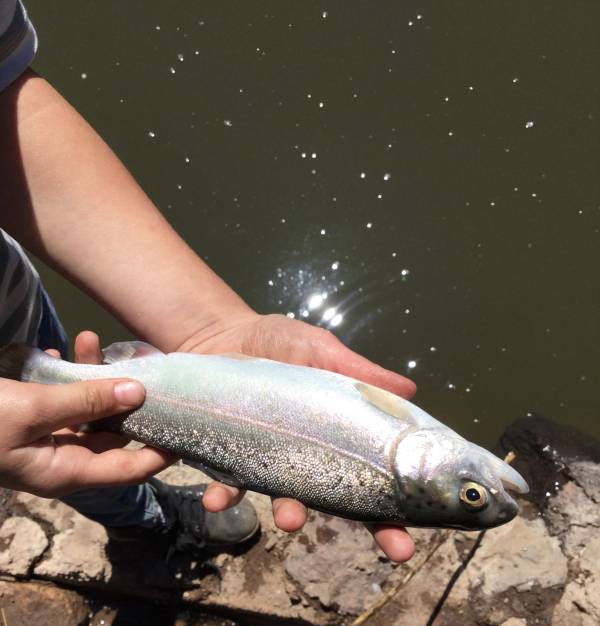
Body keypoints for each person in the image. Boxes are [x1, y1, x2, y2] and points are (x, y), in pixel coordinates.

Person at [0, 0, 417, 564]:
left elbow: (7, 104)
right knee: (92, 465)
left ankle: (142, 518)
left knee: (89, 445)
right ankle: (150, 525)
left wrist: (208, 328)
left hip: (10, 306)